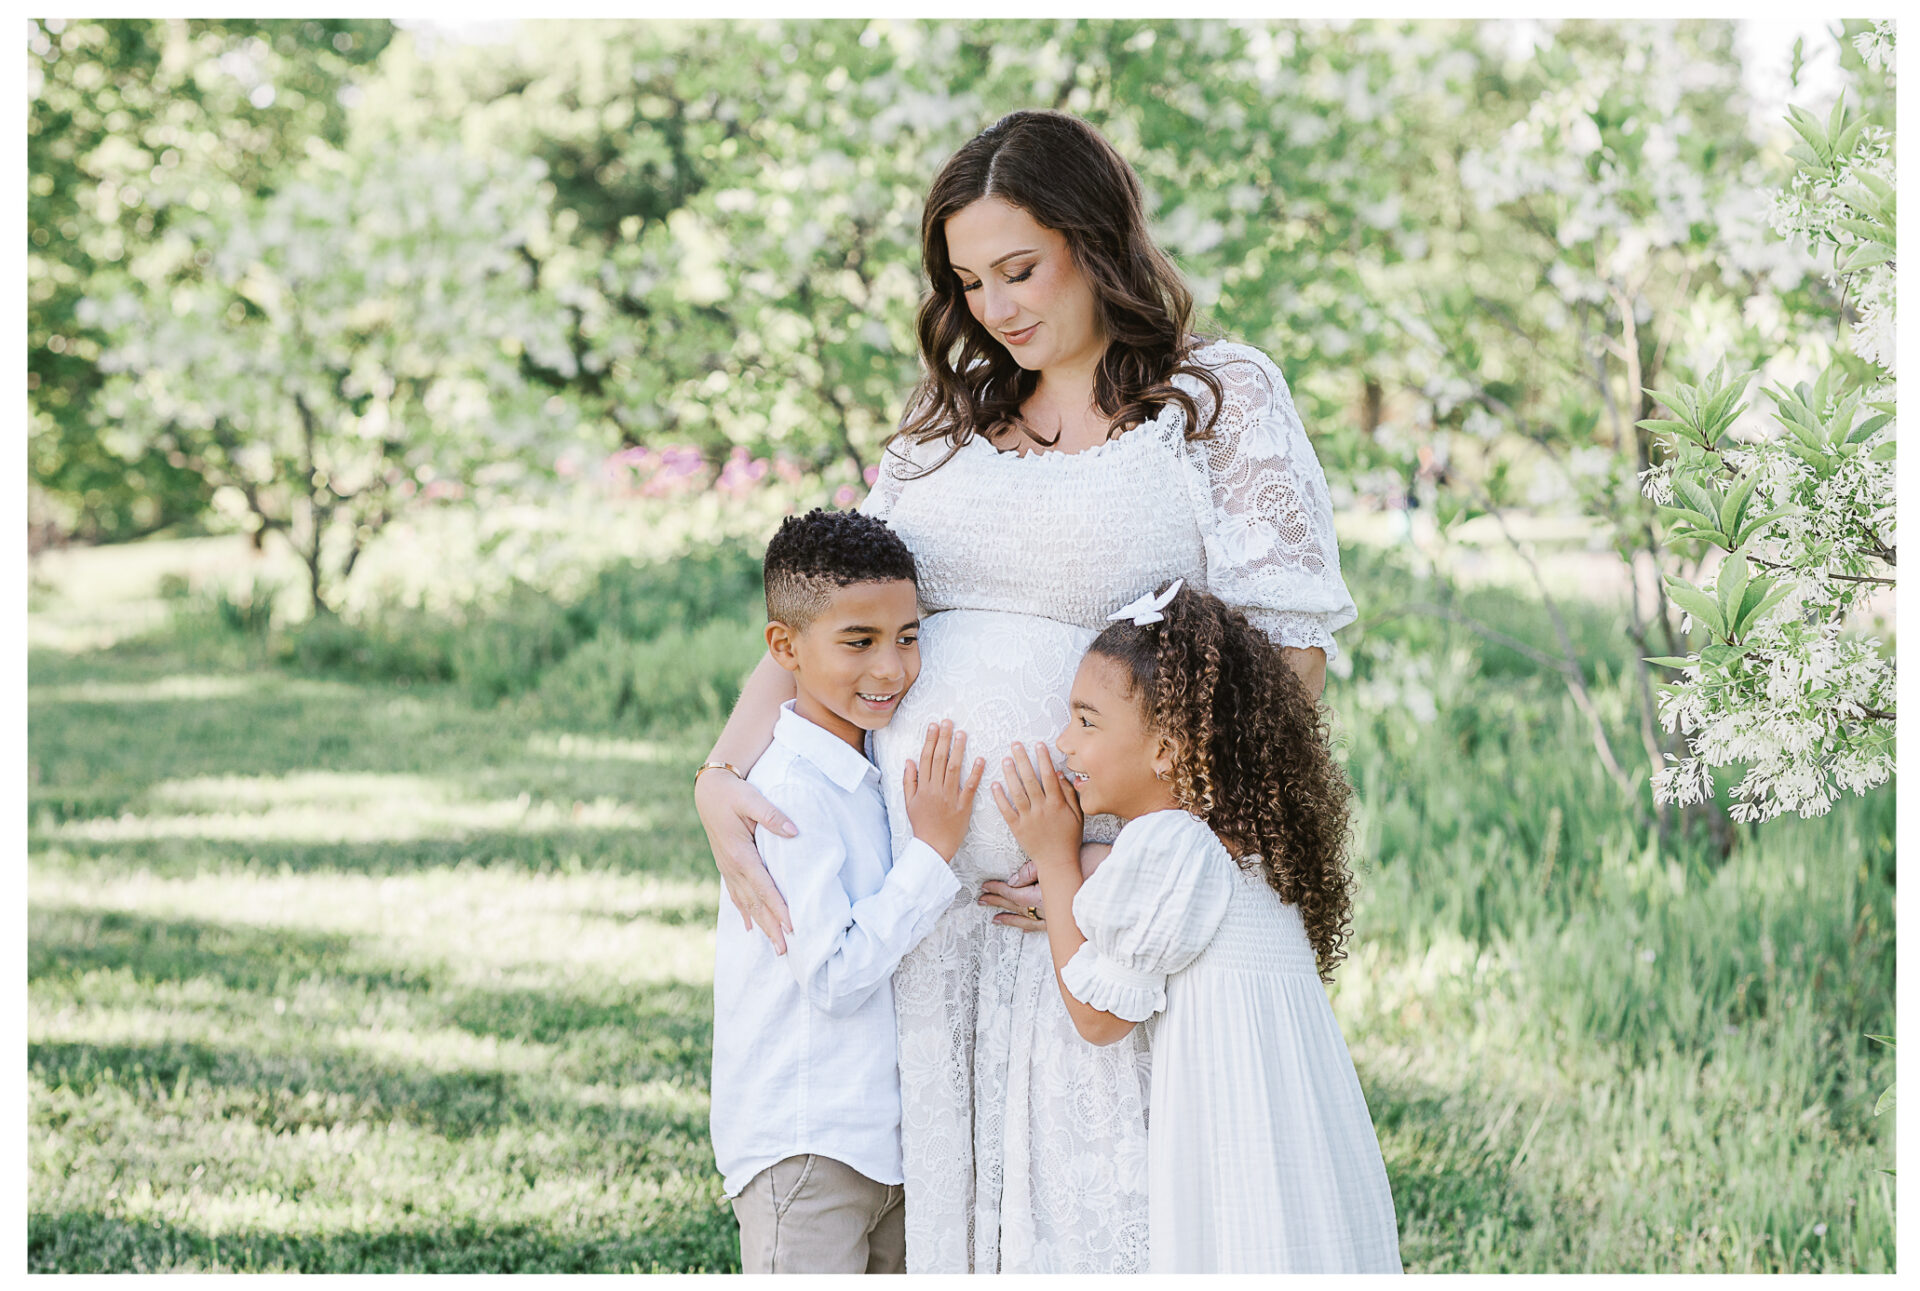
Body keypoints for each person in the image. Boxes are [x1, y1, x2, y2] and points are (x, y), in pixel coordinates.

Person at [695, 110, 1359, 1272]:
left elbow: (1284, 662)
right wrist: (719, 774)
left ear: (1098, 242)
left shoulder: (1218, 400)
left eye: (1020, 268)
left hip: (1093, 894)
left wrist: (1143, 863)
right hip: (934, 910)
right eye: (968, 281)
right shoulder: (947, 429)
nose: (996, 307)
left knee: (1104, 1215)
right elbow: (820, 618)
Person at [994, 580, 1402, 1273]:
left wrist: (1057, 856)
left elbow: (1097, 1016)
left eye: (1086, 720)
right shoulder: (1243, 846)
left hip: (1229, 1150)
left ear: (1166, 748)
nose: (1064, 742)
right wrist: (1096, 862)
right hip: (1296, 1141)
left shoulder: (1169, 848)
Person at [708, 508, 985, 1274]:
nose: (891, 668)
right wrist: (932, 855)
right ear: (785, 647)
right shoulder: (789, 790)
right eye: (858, 642)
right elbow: (831, 973)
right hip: (807, 1139)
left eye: (908, 636)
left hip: (881, 1139)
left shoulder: (863, 770)